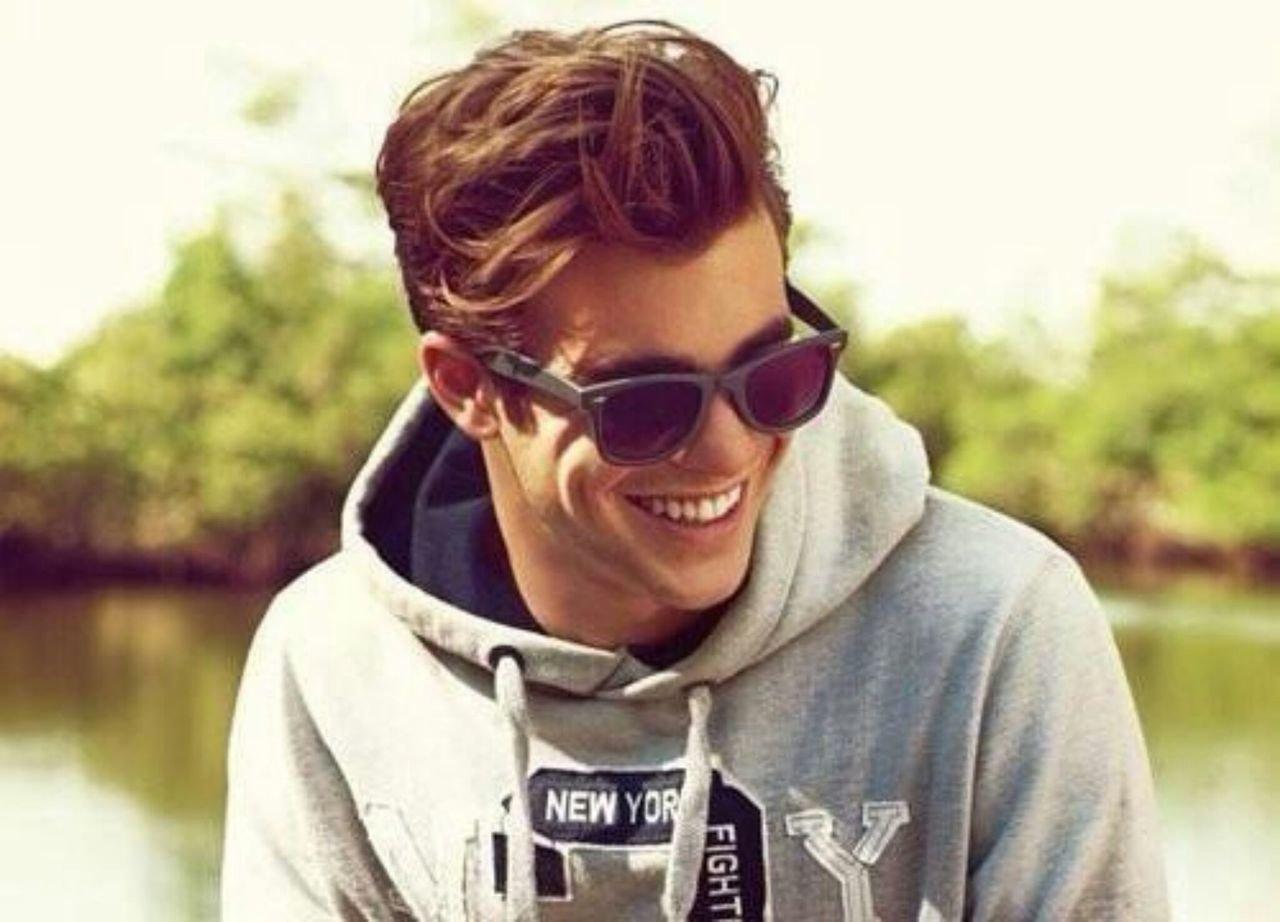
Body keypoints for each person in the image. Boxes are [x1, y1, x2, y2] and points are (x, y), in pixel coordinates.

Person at [220, 20, 1167, 921]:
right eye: (644, 404)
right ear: (469, 388)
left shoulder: (995, 628)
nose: (728, 448)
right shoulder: (332, 669)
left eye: (772, 375)